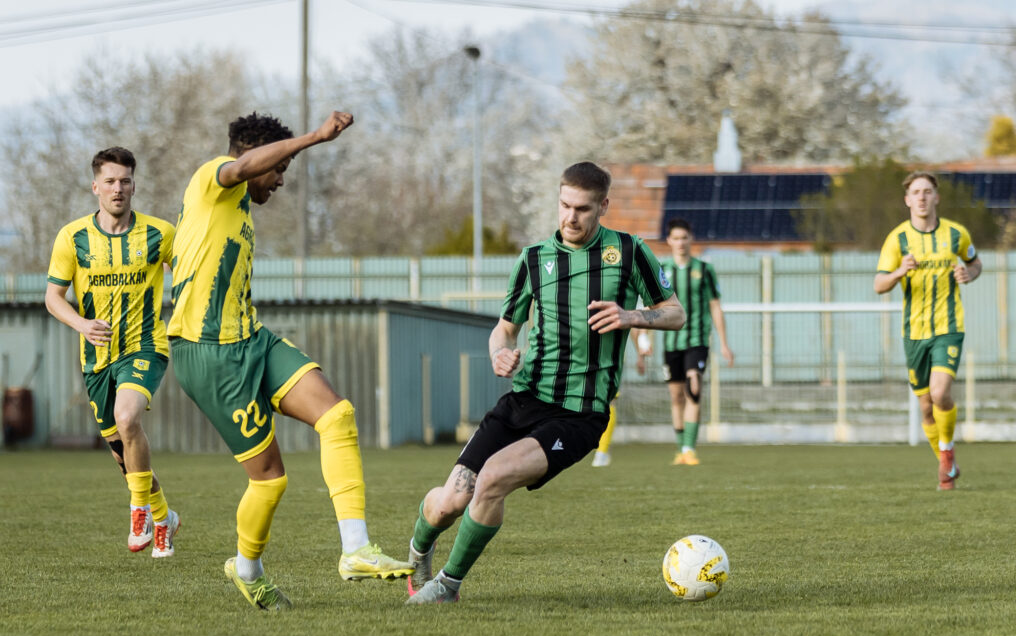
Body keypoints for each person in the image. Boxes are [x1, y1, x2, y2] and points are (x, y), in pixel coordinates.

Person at [404, 161, 685, 604]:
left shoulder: (630, 252)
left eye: (583, 209)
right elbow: (505, 329)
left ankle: (447, 587)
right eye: (564, 205)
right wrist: (499, 352)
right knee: (449, 503)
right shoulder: (534, 259)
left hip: (580, 414)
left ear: (603, 207)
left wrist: (632, 316)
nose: (571, 217)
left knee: (493, 478)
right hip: (523, 400)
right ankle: (419, 548)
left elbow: (675, 312)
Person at [169, 111, 412, 610]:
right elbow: (241, 168)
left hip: (251, 339)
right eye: (280, 168)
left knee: (337, 414)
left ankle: (356, 549)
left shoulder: (238, 207)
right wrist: (314, 138)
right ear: (257, 157)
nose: (281, 180)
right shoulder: (213, 178)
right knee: (270, 480)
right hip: (209, 354)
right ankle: (248, 570)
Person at [45, 147, 181, 558]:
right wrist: (82, 324)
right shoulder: (73, 237)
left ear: (134, 186)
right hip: (96, 359)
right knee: (124, 456)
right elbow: (53, 298)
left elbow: (190, 276)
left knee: (127, 417)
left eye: (125, 180)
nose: (117, 188)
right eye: (110, 181)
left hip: (145, 346)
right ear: (95, 187)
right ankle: (164, 517)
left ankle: (139, 510)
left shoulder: (160, 234)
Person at [874, 170, 982, 491]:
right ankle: (947, 463)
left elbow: (975, 263)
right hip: (914, 332)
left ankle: (946, 454)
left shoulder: (956, 234)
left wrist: (969, 273)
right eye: (916, 192)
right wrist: (899, 271)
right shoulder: (897, 239)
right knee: (926, 408)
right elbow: (879, 284)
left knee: (940, 393)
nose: (921, 197)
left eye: (927, 191)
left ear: (937, 197)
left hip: (948, 328)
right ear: (907, 200)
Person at [658, 218, 733, 466]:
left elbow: (715, 306)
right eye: (676, 238)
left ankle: (689, 448)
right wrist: (643, 342)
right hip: (671, 342)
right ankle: (681, 449)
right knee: (676, 397)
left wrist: (724, 343)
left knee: (694, 387)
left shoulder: (704, 269)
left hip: (697, 340)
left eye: (684, 238)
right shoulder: (661, 270)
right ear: (669, 241)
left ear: (691, 239)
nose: (681, 242)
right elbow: (652, 306)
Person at [590, 329, 652, 467]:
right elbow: (636, 324)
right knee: (605, 402)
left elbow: (635, 324)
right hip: (601, 355)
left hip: (605, 355)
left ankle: (601, 452)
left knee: (607, 401)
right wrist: (641, 349)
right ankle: (600, 452)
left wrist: (640, 350)